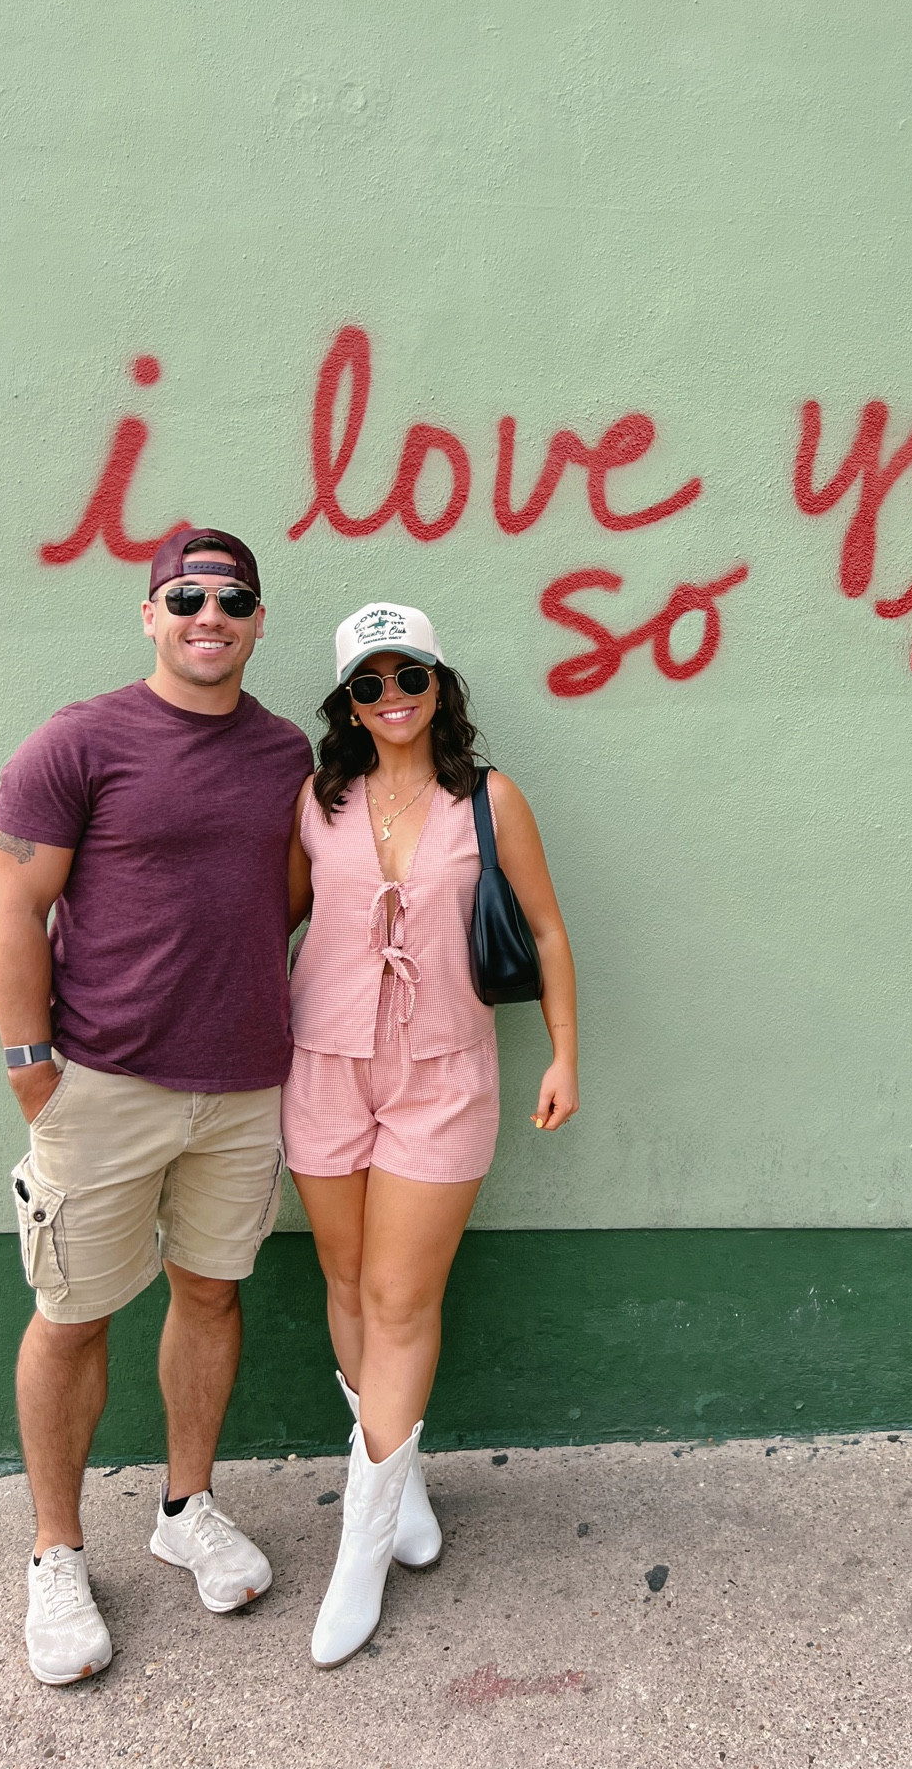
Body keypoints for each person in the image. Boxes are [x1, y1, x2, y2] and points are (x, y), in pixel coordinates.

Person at [0, 530, 312, 1687]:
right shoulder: (78, 741)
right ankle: (56, 1552)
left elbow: (283, 903)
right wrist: (34, 1064)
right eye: (188, 596)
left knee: (211, 1293)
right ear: (151, 612)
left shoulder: (287, 752)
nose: (208, 615)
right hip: (103, 1083)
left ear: (259, 619)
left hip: (241, 1083)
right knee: (72, 1313)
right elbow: (15, 906)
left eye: (232, 599)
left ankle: (185, 1506)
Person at [284, 601, 578, 1668]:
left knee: (404, 1300)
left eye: (409, 673)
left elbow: (545, 927)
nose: (391, 694)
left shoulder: (490, 799)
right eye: (369, 681)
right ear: (347, 704)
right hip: (322, 1062)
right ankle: (397, 1484)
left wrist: (562, 1052)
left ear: (441, 684)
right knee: (349, 1276)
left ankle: (359, 1550)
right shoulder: (318, 801)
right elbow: (271, 921)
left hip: (444, 1072)